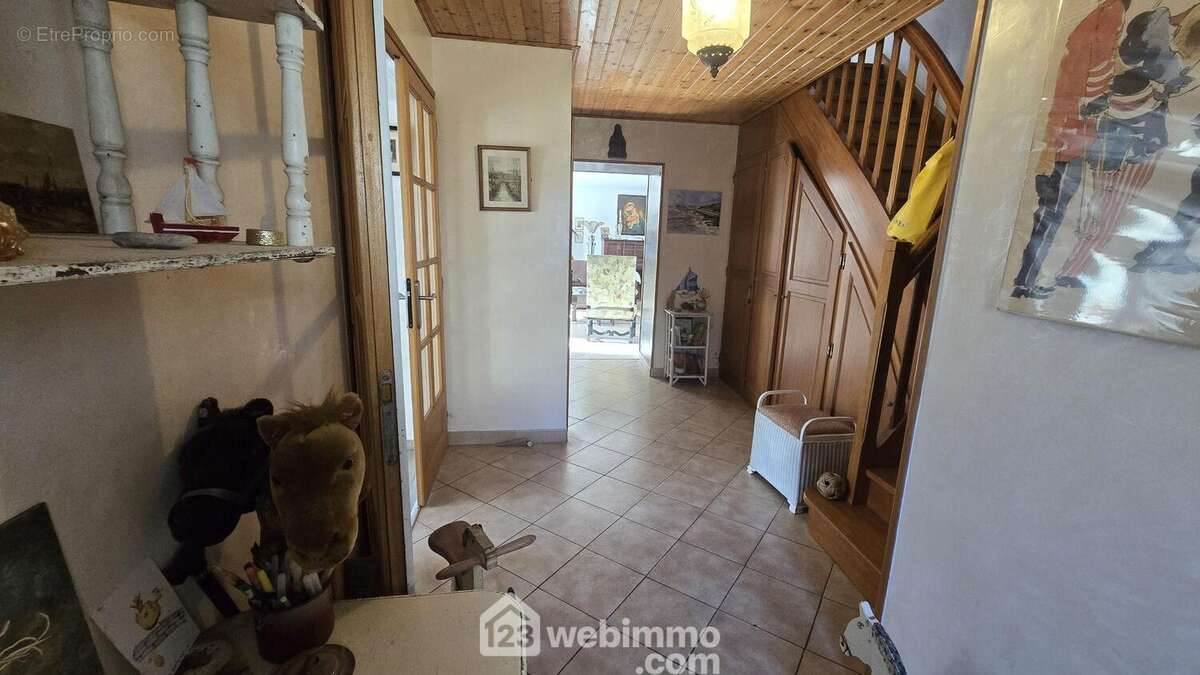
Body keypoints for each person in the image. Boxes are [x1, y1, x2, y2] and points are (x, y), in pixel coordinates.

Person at [1053, 5, 1196, 287]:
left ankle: (1074, 269)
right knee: (1103, 208)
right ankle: (1072, 270)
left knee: (1106, 209)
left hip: (1132, 144)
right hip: (1124, 144)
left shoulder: (1153, 67)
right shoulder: (1150, 53)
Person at [1012, 0, 1131, 299]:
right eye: (1114, 27)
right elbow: (1069, 97)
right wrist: (1092, 106)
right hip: (1064, 145)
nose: (1116, 32)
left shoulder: (1098, 38)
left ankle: (1034, 278)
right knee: (1050, 215)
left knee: (1059, 214)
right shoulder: (1084, 47)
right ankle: (1025, 281)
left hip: (1077, 141)